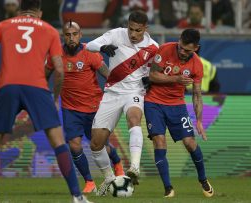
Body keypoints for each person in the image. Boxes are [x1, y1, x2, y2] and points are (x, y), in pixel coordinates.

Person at [0, 0, 92, 203]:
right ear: (39, 12)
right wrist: (55, 98)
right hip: (37, 88)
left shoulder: (4, 25)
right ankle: (77, 196)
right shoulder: (49, 30)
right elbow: (59, 69)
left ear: (20, 9)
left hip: (7, 86)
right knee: (58, 140)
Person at [46, 21, 125, 194]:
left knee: (101, 144)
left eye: (75, 34)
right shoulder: (56, 54)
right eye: (68, 35)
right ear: (63, 36)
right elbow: (44, 75)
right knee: (74, 146)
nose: (71, 38)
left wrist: (121, 90)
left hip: (94, 107)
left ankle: (117, 163)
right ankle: (89, 181)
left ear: (80, 35)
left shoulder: (90, 52)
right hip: (70, 109)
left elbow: (107, 74)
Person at [86, 10, 159, 195]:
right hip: (112, 93)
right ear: (127, 24)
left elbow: (154, 72)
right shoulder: (116, 34)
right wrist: (102, 48)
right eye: (131, 29)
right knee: (96, 143)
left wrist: (150, 79)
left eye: (138, 31)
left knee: (134, 119)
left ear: (146, 29)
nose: (133, 34)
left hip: (134, 92)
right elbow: (90, 46)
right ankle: (109, 178)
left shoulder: (153, 47)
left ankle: (134, 167)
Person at [144, 28, 214, 198]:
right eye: (181, 47)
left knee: (190, 142)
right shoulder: (166, 49)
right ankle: (168, 188)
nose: (182, 52)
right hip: (154, 102)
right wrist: (175, 79)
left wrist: (198, 120)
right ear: (179, 40)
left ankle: (203, 180)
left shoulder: (197, 64)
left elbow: (197, 94)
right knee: (159, 142)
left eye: (187, 50)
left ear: (196, 48)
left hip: (177, 105)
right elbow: (152, 75)